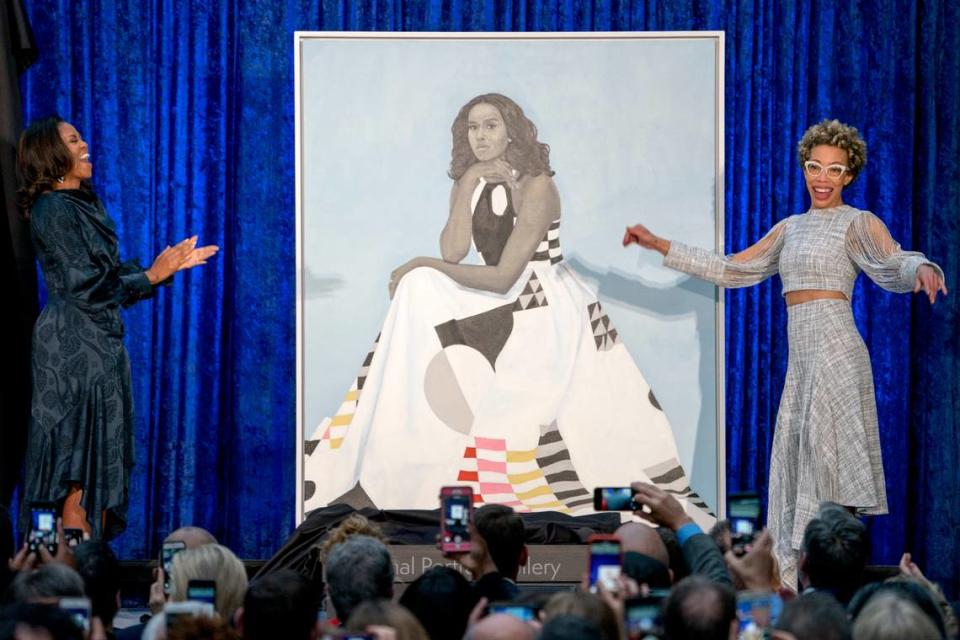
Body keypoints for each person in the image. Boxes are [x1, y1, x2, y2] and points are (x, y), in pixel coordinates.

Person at [304, 93, 708, 521]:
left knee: (422, 277)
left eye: (490, 125)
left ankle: (441, 464)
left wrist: (421, 263)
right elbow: (455, 251)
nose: (480, 136)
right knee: (419, 288)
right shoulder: (470, 180)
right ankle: (391, 454)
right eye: (472, 128)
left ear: (512, 130)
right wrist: (467, 185)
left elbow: (506, 276)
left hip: (541, 300)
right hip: (495, 294)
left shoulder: (538, 186)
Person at [624, 119, 947, 588]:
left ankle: (833, 585)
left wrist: (922, 267)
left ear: (849, 175)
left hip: (837, 354)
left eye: (834, 170)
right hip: (803, 363)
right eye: (814, 166)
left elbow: (894, 259)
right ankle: (795, 588)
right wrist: (659, 245)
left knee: (831, 475)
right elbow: (731, 268)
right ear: (804, 168)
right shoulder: (791, 229)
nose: (822, 177)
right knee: (798, 475)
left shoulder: (857, 222)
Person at [16, 116, 218, 540]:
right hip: (72, 352)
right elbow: (84, 286)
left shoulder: (81, 206)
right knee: (73, 478)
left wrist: (158, 270)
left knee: (91, 474)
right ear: (51, 155)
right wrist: (152, 276)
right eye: (73, 140)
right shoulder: (53, 208)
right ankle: (63, 588)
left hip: (99, 346)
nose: (84, 144)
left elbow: (105, 281)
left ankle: (78, 582)